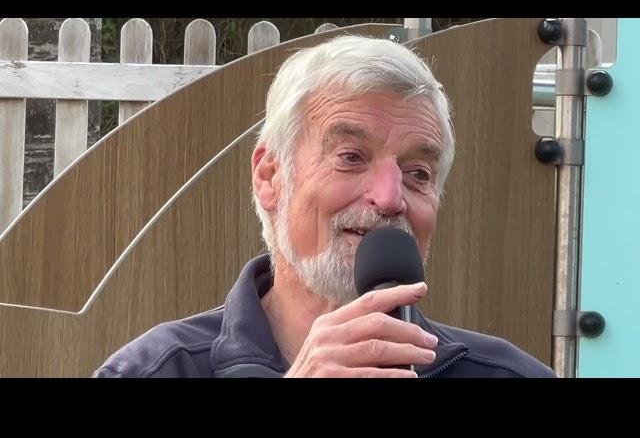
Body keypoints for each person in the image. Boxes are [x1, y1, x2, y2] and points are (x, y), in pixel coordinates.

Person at [94, 35, 556, 378]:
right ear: (270, 178)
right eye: (351, 158)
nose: (391, 199)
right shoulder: (153, 370)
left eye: (418, 173)